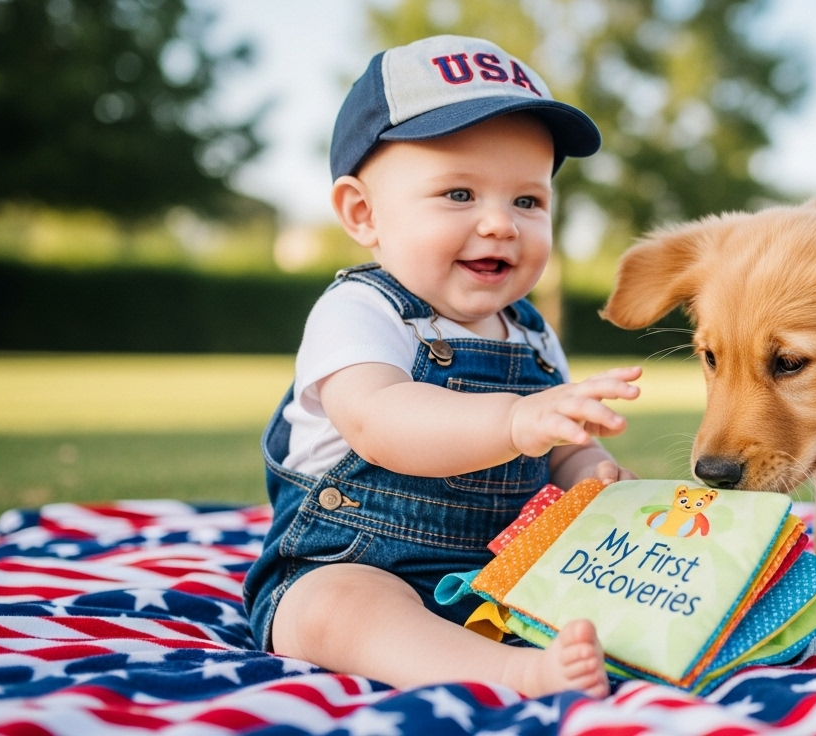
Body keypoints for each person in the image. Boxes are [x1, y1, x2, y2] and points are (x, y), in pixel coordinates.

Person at [243, 35, 642, 698]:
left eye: (528, 201)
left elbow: (559, 451)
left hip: (504, 575)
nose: (500, 225)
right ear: (363, 213)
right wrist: (516, 419)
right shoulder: (362, 311)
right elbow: (380, 422)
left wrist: (591, 476)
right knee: (334, 611)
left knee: (621, 589)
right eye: (459, 194)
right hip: (354, 563)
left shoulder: (533, 335)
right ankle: (512, 672)